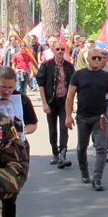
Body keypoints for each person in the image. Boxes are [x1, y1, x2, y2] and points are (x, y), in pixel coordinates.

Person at [0, 67, 38, 217]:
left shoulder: (22, 100)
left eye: (10, 88)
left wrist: (21, 132)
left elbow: (33, 124)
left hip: (16, 152)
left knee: (10, 194)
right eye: (3, 87)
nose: (7, 92)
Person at [65, 48, 108, 191]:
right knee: (81, 147)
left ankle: (97, 179)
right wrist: (68, 116)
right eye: (94, 57)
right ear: (87, 59)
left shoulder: (107, 76)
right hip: (82, 117)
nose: (97, 60)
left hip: (100, 118)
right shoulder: (78, 75)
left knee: (101, 148)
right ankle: (84, 172)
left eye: (99, 58)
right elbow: (70, 96)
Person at [36, 41, 75, 169]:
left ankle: (63, 153)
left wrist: (71, 103)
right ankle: (55, 154)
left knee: (64, 127)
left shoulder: (69, 66)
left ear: (65, 51)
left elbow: (73, 87)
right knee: (52, 129)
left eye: (62, 49)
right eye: (57, 49)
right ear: (53, 50)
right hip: (51, 102)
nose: (59, 51)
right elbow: (41, 85)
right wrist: (44, 103)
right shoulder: (46, 65)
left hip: (64, 101)